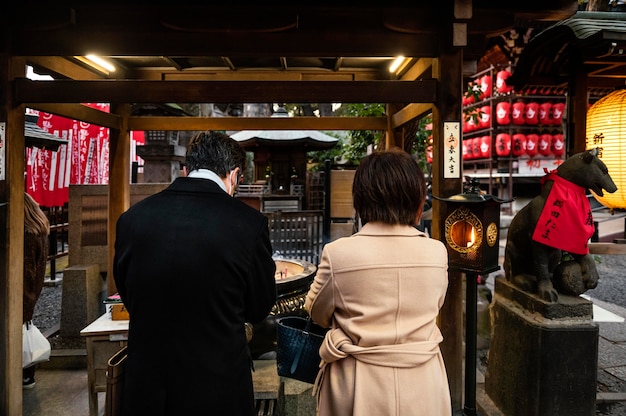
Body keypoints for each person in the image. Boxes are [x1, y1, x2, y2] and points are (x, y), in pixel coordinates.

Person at [113, 131, 276, 416]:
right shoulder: (249, 225)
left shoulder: (132, 220)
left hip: (148, 385)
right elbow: (259, 306)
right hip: (218, 385)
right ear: (234, 175)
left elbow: (129, 294)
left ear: (186, 170)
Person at [305, 148, 451, 415]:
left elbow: (316, 312)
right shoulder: (437, 253)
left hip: (358, 380)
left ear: (361, 200)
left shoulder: (339, 254)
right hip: (422, 380)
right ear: (417, 199)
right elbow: (434, 305)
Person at [22, 192, 50, 389]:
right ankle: (27, 374)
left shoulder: (26, 236)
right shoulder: (40, 231)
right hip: (32, 289)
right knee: (26, 331)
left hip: (22, 290)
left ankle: (23, 374)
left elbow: (25, 270)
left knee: (20, 332)